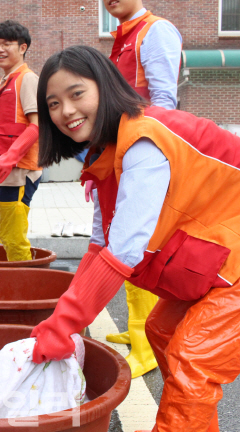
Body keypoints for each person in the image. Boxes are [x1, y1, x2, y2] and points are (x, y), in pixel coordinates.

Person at [31, 46, 240, 432]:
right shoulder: (106, 158)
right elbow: (99, 248)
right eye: (53, 103)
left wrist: (61, 325)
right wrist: (62, 323)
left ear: (105, 86)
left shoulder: (143, 141)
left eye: (76, 93)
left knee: (195, 355)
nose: (66, 110)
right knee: (164, 329)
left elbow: (123, 251)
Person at [100, 0, 183, 379]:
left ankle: (146, 345)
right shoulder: (124, 38)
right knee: (122, 241)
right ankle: (138, 329)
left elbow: (164, 103)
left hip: (139, 154)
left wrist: (143, 163)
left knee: (139, 246)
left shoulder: (155, 31)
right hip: (121, 154)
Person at [0, 20, 41, 261]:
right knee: (2, 231)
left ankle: (24, 287)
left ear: (23, 48)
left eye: (7, 44)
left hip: (19, 170)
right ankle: (15, 277)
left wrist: (10, 157)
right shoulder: (2, 83)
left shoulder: (26, 79)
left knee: (13, 234)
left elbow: (36, 125)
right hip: (3, 172)